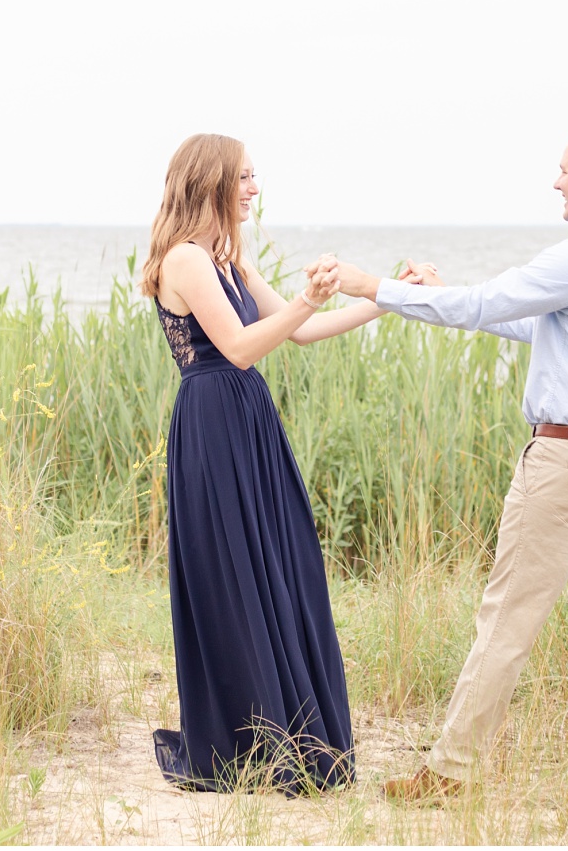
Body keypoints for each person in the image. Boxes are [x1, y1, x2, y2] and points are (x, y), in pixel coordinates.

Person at [328, 128, 568, 802]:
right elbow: (533, 323)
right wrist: (442, 290)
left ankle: (451, 770)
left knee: (508, 614)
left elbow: (489, 305)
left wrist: (377, 287)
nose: (556, 181)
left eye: (564, 170)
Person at [140, 132, 401, 793]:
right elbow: (238, 346)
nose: (254, 188)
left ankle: (288, 725)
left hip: (248, 418)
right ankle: (249, 741)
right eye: (245, 177)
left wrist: (389, 297)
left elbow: (300, 329)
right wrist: (307, 300)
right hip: (212, 421)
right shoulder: (188, 260)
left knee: (278, 563)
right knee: (234, 572)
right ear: (212, 182)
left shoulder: (229, 257)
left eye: (256, 177)